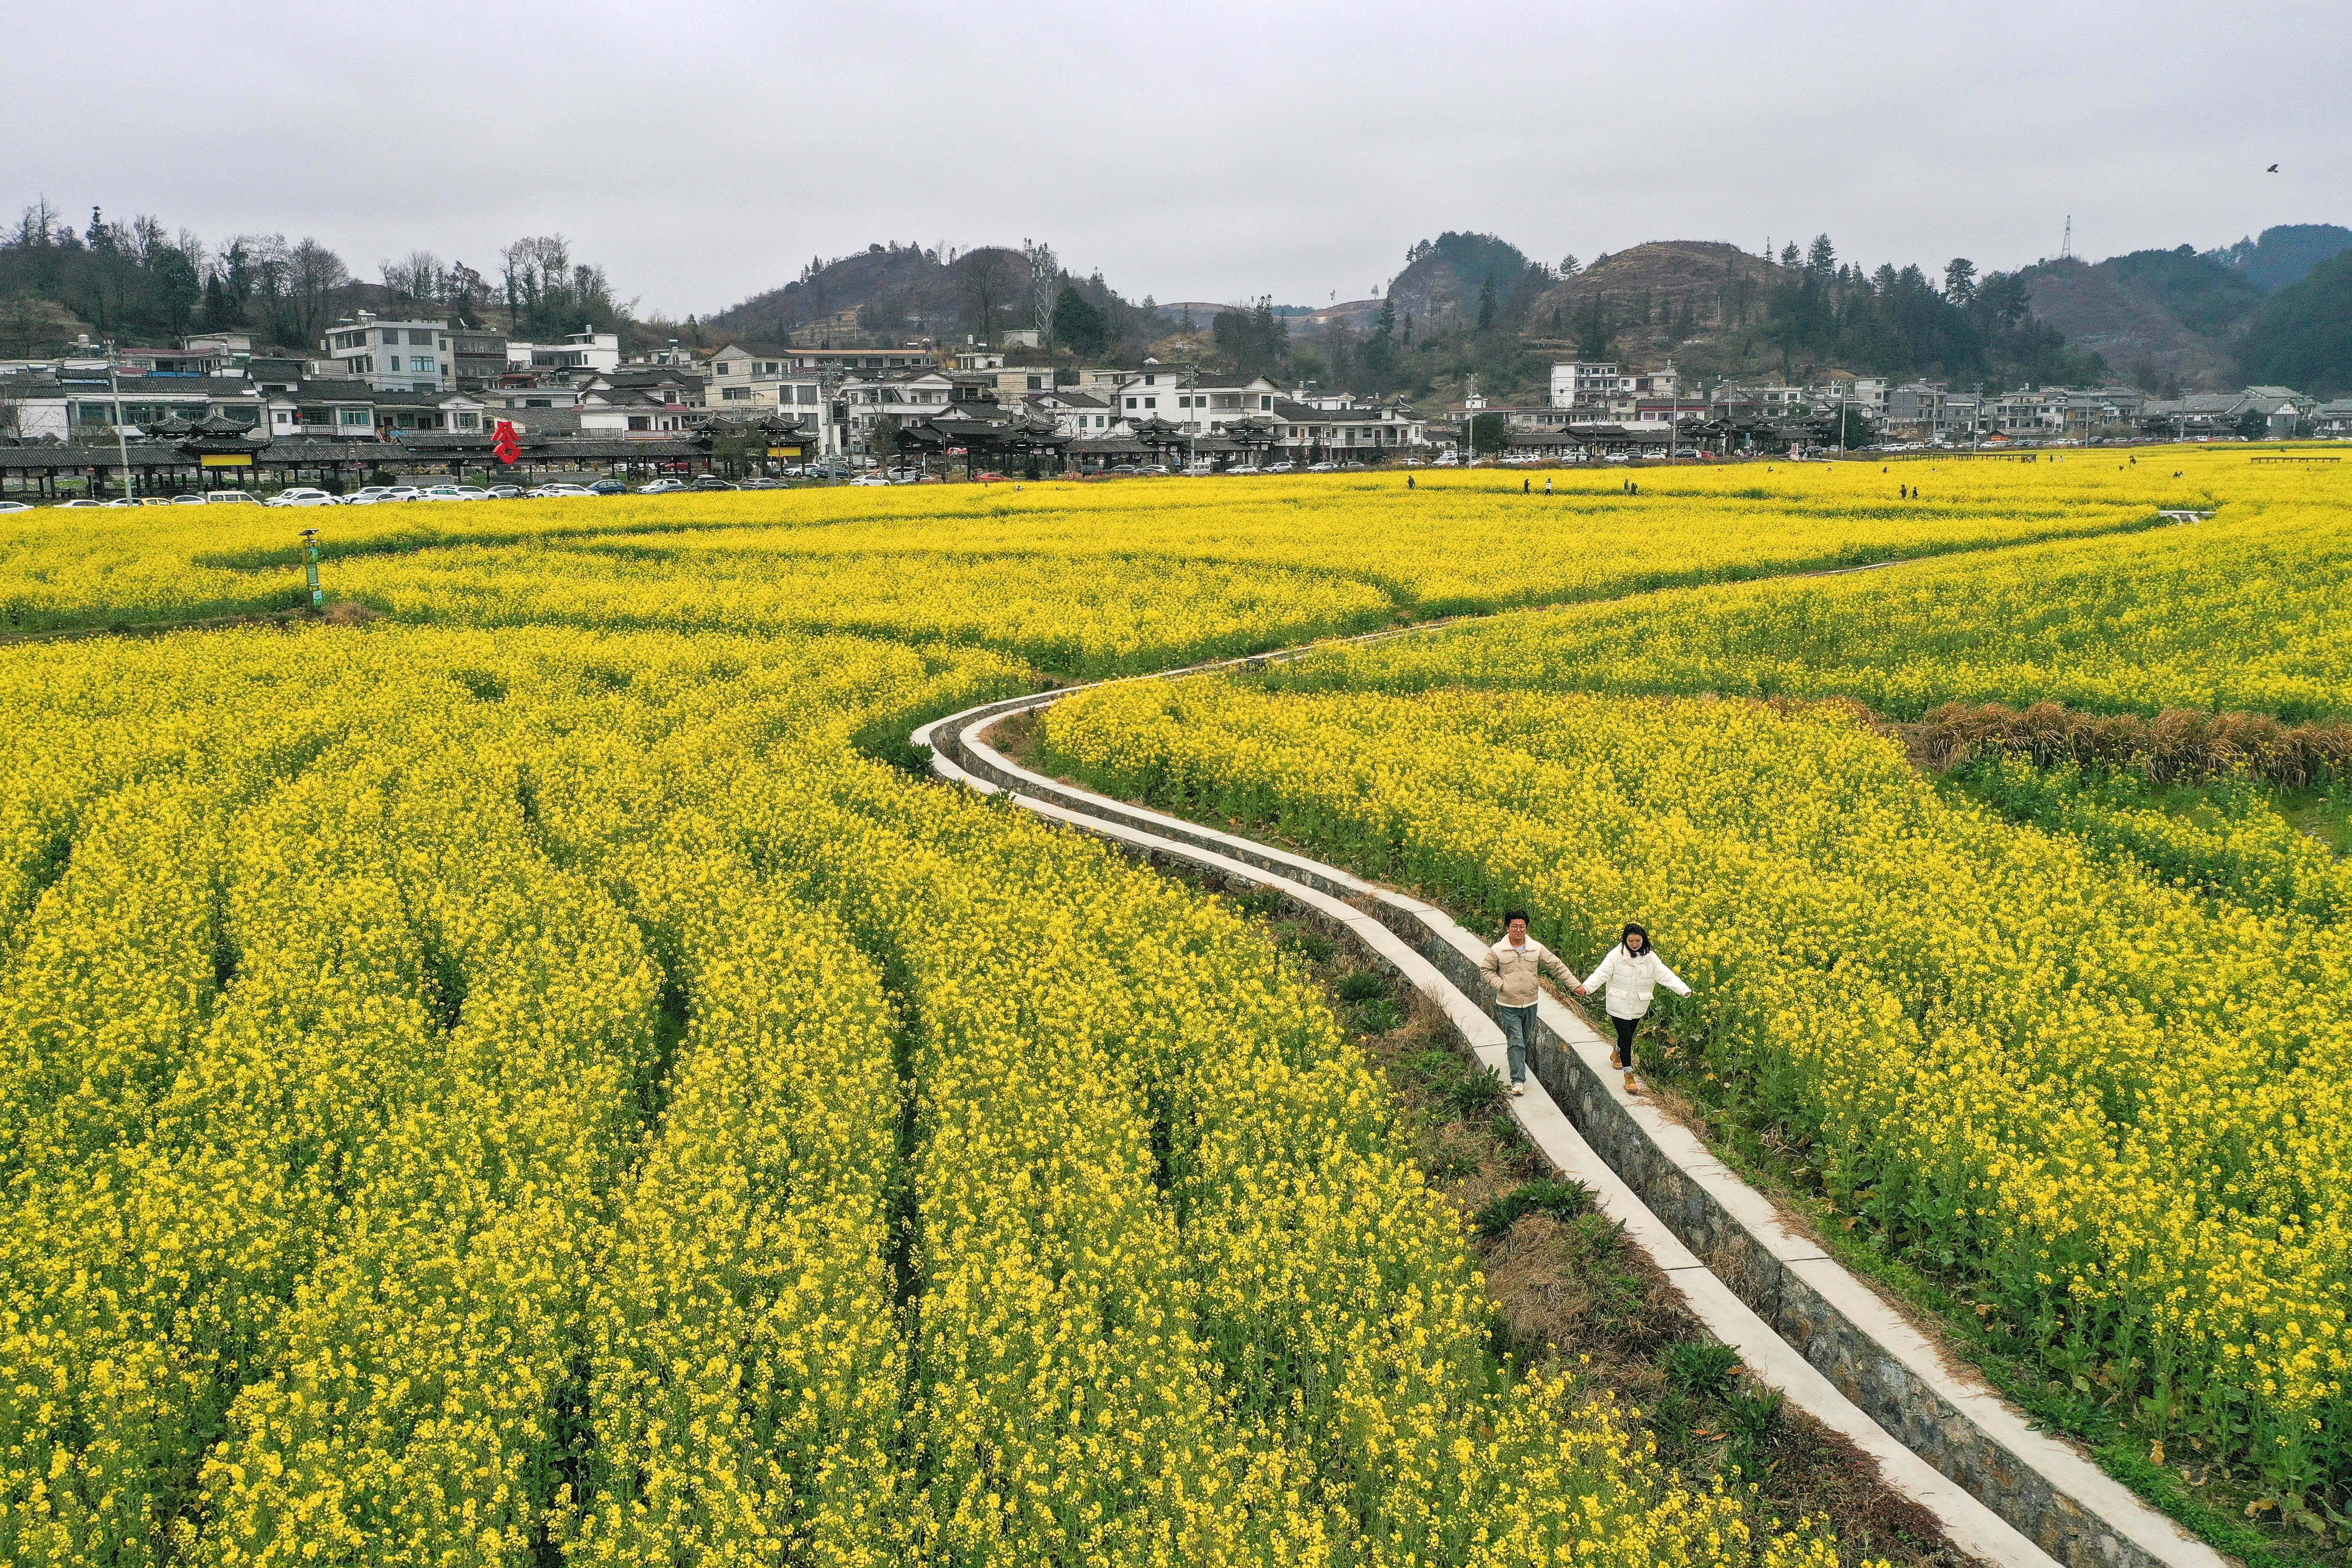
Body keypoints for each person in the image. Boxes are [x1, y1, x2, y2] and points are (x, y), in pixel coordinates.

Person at [1575, 923, 1691, 1091]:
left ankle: (1616, 1052)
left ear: (1643, 939)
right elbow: (1601, 973)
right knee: (1627, 1037)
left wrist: (1683, 990)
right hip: (1618, 1004)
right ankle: (1629, 1076)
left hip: (1638, 1004)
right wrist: (1586, 988)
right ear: (1625, 940)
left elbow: (1666, 975)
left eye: (1638, 941)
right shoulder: (1616, 955)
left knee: (1629, 1034)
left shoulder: (1651, 958)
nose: (1635, 944)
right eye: (1631, 941)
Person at [1478, 910, 1574, 1097]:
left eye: (1522, 927)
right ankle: (1518, 1080)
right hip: (1508, 1003)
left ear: (1526, 928)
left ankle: (1515, 1058)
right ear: (1507, 928)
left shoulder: (1536, 948)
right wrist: (1501, 985)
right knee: (1516, 1039)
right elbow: (1486, 969)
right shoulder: (1498, 950)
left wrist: (1575, 986)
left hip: (1531, 1002)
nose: (1518, 930)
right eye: (1514, 927)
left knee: (1525, 1040)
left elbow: (1556, 966)